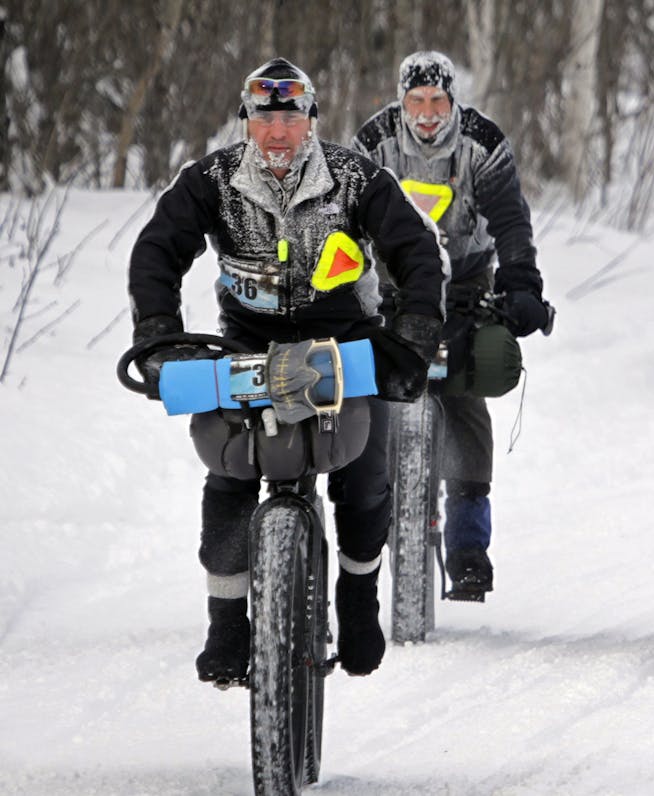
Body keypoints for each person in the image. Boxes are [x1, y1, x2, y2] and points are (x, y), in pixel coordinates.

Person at [128, 58, 449, 682]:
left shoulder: (357, 179)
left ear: (311, 120)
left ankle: (358, 596)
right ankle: (226, 621)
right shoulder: (212, 180)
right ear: (246, 120)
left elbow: (417, 255)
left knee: (364, 472)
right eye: (265, 117)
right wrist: (158, 336)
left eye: (291, 117)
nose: (278, 131)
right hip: (248, 341)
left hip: (344, 338)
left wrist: (410, 342)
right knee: (228, 469)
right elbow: (156, 252)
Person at [353, 51, 550, 600]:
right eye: (416, 101)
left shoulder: (482, 141)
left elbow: (510, 218)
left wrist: (522, 285)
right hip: (390, 286)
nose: (428, 112)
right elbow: (344, 217)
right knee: (370, 397)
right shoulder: (372, 142)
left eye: (437, 100)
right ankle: (367, 525)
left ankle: (468, 548)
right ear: (401, 101)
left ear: (453, 99)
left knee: (464, 397)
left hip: (465, 279)